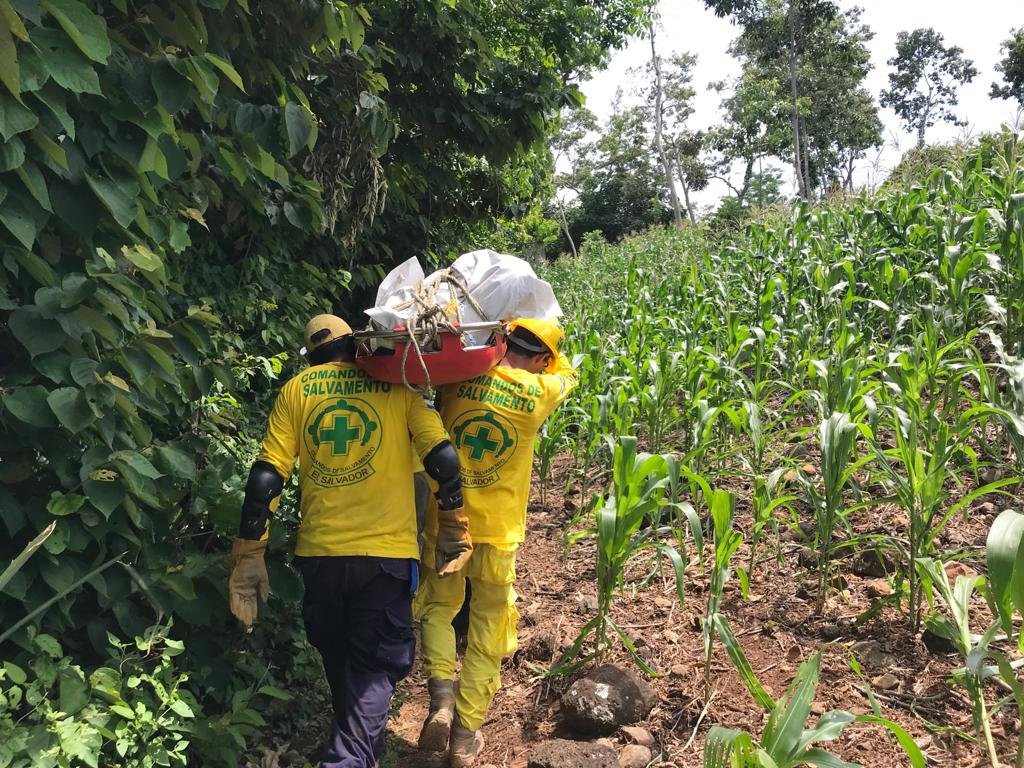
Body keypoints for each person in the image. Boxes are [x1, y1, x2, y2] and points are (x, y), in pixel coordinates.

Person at [227, 314, 474, 768]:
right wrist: (454, 522)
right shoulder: (398, 386)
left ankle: (362, 751)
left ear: (312, 354)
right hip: (385, 559)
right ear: (356, 343)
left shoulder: (298, 391)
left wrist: (249, 551)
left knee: (341, 658)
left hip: (320, 558)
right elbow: (442, 458)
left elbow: (266, 477)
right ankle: (348, 760)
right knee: (374, 668)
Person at [414, 318, 578, 767]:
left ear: (503, 339)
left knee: (437, 609)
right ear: (541, 357)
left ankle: (440, 704)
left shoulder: (461, 376)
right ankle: (466, 736)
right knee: (489, 629)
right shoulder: (537, 393)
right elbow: (569, 373)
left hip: (447, 522)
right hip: (499, 533)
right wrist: (549, 354)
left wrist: (488, 337)